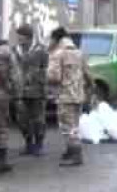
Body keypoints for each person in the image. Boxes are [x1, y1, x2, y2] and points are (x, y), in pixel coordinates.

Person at [47, 26, 91, 167]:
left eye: (50, 39)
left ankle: (76, 155)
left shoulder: (57, 54)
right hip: (78, 95)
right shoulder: (79, 52)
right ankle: (70, 151)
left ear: (56, 39)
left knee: (67, 127)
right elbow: (88, 74)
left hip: (65, 96)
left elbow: (54, 77)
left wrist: (47, 77)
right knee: (74, 125)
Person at [13, 23, 48, 156]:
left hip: (37, 91)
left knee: (38, 119)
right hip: (20, 91)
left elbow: (47, 69)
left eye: (21, 37)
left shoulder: (41, 50)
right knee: (22, 119)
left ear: (28, 37)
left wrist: (39, 80)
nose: (18, 39)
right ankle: (28, 144)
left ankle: (39, 145)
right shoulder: (15, 50)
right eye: (18, 36)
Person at [0, 27, 20, 173]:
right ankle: (1, 163)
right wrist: (16, 93)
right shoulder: (5, 51)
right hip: (0, 94)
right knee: (1, 126)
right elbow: (16, 75)